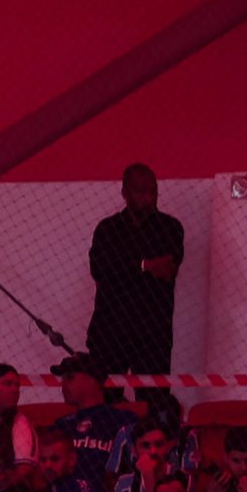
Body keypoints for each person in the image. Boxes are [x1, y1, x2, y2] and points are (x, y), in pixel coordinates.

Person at [85, 163, 184, 383]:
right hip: (109, 330)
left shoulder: (170, 227)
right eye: (141, 191)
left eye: (153, 190)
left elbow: (167, 269)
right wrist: (144, 266)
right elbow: (100, 269)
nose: (148, 197)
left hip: (153, 332)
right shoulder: (108, 228)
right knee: (106, 400)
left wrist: (122, 268)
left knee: (153, 400)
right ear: (125, 193)